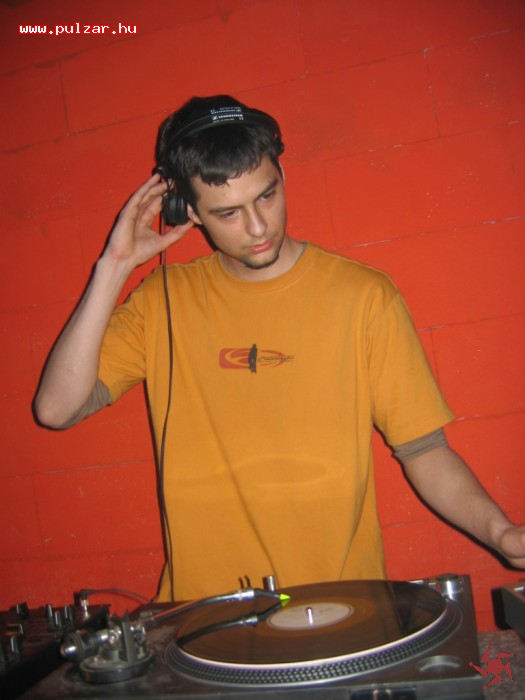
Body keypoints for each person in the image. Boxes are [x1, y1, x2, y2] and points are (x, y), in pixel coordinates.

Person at [34, 95, 525, 602]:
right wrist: (114, 265)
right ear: (188, 211)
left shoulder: (364, 297)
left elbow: (424, 450)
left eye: (266, 196)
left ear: (283, 176)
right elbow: (56, 409)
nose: (257, 227)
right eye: (228, 212)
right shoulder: (162, 301)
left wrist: (500, 533)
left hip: (340, 608)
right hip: (203, 616)